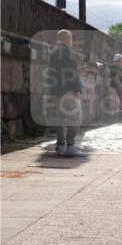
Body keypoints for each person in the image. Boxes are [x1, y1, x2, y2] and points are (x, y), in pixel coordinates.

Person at [46, 29, 85, 157]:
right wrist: (77, 88)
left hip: (57, 91)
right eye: (71, 39)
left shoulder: (53, 52)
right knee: (75, 118)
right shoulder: (67, 51)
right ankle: (70, 146)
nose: (72, 42)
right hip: (69, 91)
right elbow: (71, 71)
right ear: (67, 39)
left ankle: (61, 146)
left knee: (60, 118)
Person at [109, 54, 122, 121]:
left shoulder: (120, 67)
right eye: (119, 60)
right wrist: (120, 86)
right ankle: (121, 114)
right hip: (117, 85)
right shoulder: (113, 67)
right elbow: (114, 78)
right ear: (116, 60)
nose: (121, 61)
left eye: (121, 60)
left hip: (120, 84)